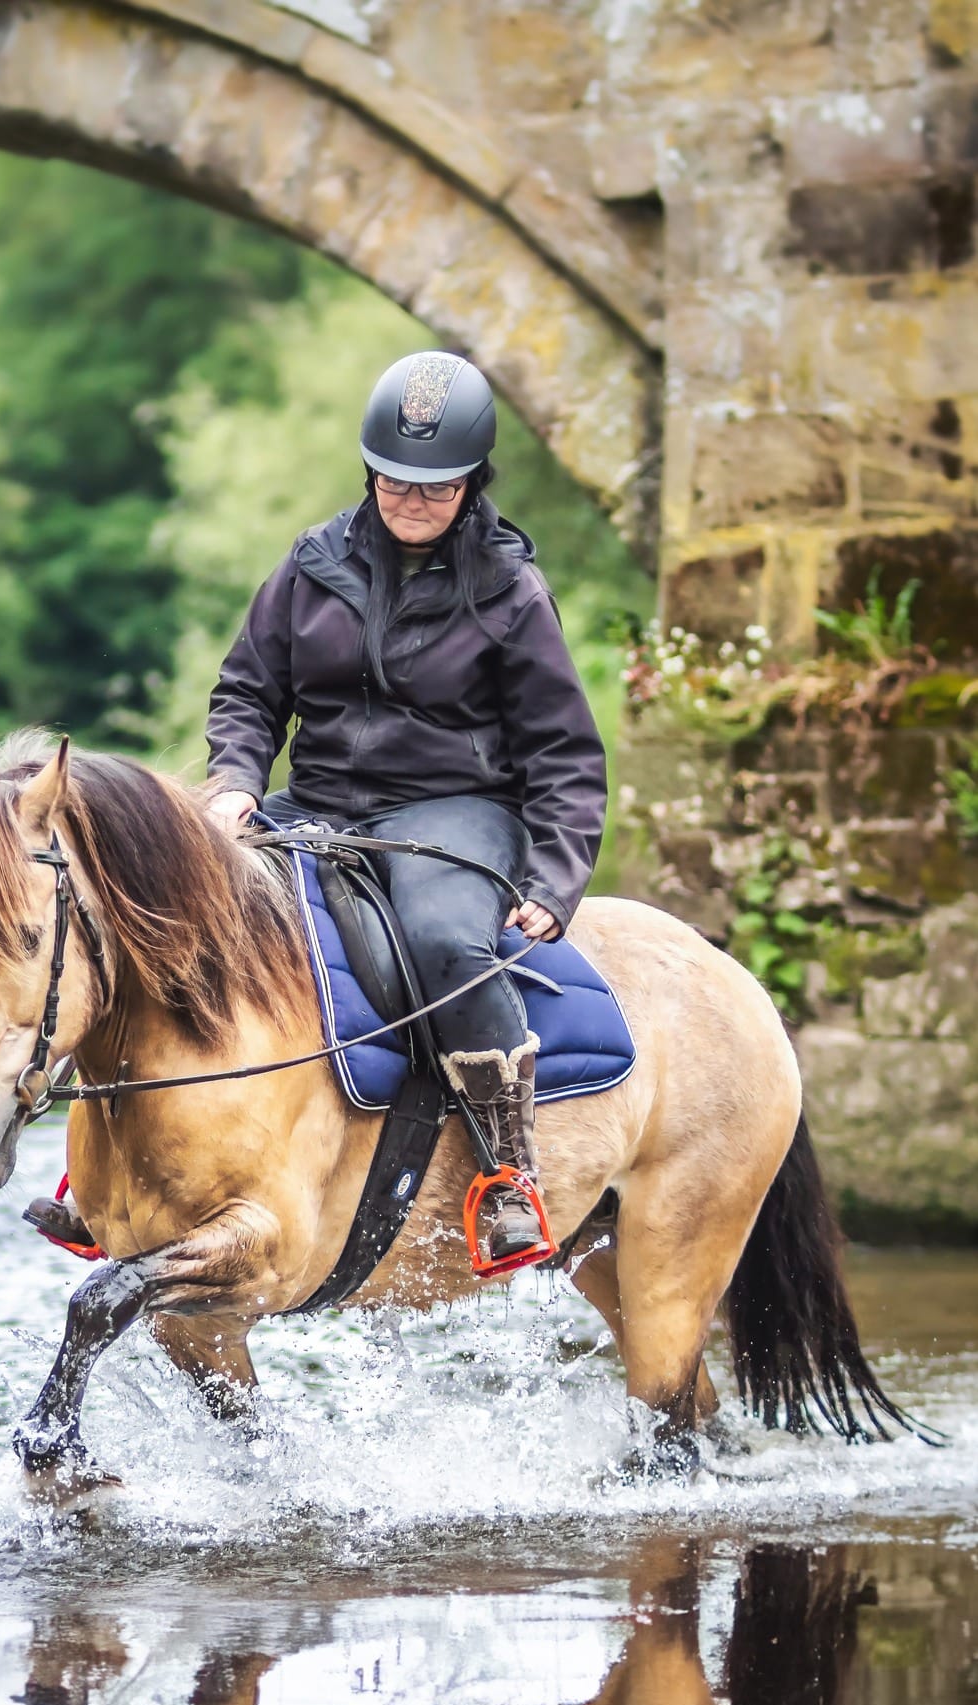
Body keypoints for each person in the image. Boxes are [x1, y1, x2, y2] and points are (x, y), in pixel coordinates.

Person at [204, 350, 607, 1260]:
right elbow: (247, 694)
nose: (411, 500)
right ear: (368, 469)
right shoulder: (311, 565)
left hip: (454, 808)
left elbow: (564, 751)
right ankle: (119, 1156)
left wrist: (553, 875)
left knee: (442, 942)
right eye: (393, 481)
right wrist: (233, 784)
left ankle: (511, 1172)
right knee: (174, 892)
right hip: (319, 800)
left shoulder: (510, 590)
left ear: (472, 481)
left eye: (434, 487)